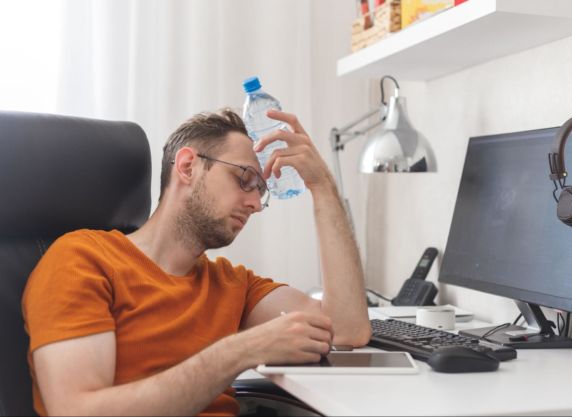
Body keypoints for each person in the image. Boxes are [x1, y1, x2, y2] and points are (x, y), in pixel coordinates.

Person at [22, 108, 371, 416]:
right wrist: (240, 350)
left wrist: (321, 184)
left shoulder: (232, 285)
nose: (255, 203)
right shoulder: (82, 259)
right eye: (245, 179)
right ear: (188, 166)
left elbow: (347, 327)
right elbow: (77, 411)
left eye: (260, 190)